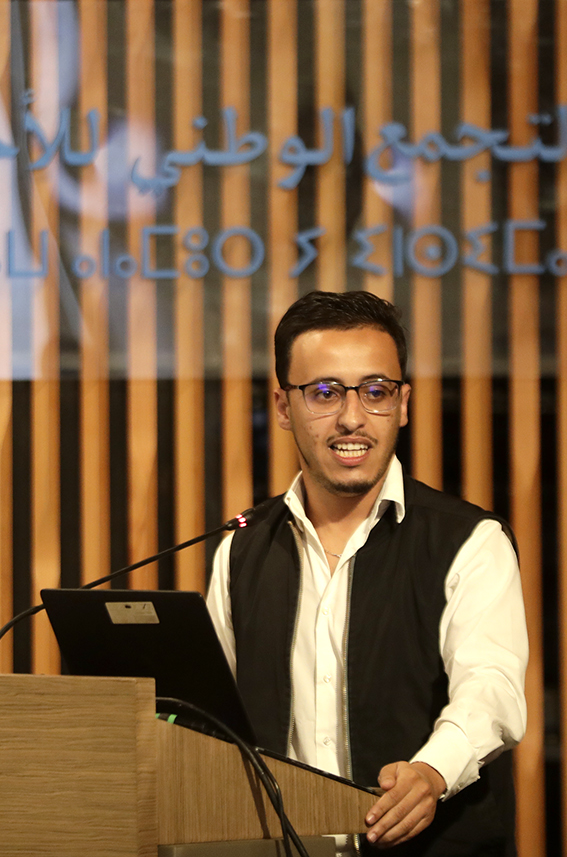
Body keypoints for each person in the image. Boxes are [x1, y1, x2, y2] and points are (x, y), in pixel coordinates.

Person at [205, 290, 527, 854]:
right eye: (324, 393)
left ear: (402, 404)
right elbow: (207, 719)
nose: (352, 418)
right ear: (283, 407)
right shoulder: (240, 550)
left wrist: (431, 772)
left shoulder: (471, 542)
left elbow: (491, 689)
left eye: (376, 392)